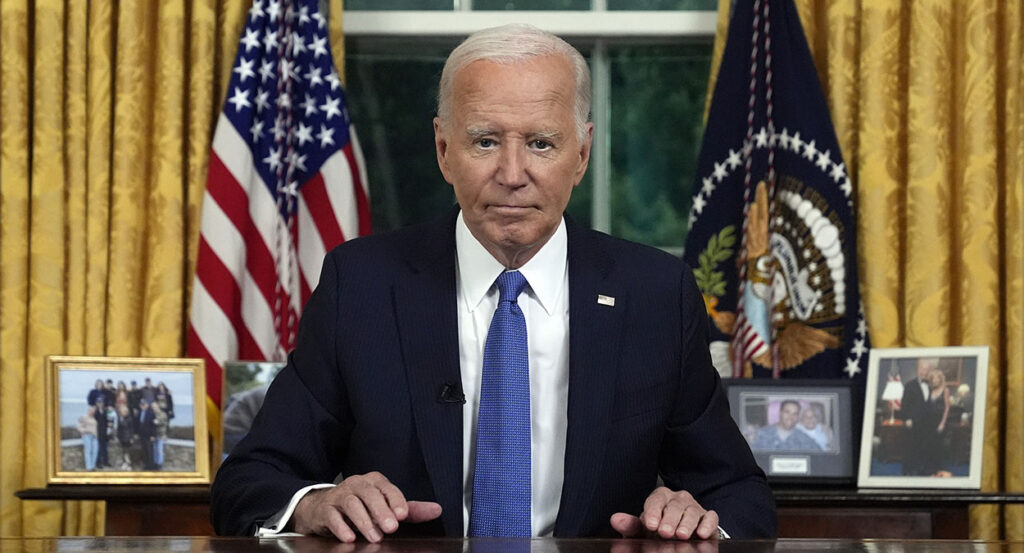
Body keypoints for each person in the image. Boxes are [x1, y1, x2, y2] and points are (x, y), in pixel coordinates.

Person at [210, 23, 775, 542]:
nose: (511, 174)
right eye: (485, 141)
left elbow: (738, 494)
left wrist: (698, 521)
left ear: (581, 154)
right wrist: (314, 503)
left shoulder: (657, 293)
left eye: (541, 144)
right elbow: (253, 479)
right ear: (443, 150)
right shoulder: (361, 285)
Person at [899, 357, 938, 475]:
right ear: (918, 370)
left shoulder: (931, 386)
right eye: (922, 369)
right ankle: (908, 471)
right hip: (913, 423)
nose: (924, 372)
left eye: (926, 370)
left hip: (927, 424)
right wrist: (906, 419)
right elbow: (904, 405)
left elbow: (930, 405)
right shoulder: (909, 385)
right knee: (911, 448)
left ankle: (922, 470)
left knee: (924, 447)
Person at [750, 400, 822, 451]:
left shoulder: (804, 438)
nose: (790, 417)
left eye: (795, 414)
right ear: (780, 413)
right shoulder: (762, 434)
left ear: (798, 417)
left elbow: (820, 456)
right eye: (787, 412)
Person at [136, 398, 157, 470]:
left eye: (144, 404)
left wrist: (153, 435)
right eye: (141, 404)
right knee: (144, 450)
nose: (143, 406)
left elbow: (154, 425)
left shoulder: (151, 413)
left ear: (147, 405)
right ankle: (146, 465)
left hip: (149, 435)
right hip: (142, 435)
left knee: (150, 451)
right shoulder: (139, 412)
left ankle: (151, 466)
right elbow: (138, 424)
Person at [77, 406, 99, 471]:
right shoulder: (84, 417)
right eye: (91, 410)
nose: (92, 412)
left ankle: (93, 466)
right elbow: (78, 426)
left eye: (93, 411)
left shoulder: (94, 418)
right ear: (88, 410)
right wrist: (84, 431)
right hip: (87, 436)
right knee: (88, 451)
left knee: (95, 451)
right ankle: (89, 467)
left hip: (94, 436)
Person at [93, 396, 112, 468]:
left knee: (105, 449)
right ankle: (98, 463)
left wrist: (109, 429)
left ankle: (106, 462)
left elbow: (109, 421)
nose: (100, 404)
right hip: (98, 433)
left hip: (105, 433)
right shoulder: (95, 412)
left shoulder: (105, 411)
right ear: (96, 403)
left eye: (101, 402)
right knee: (99, 449)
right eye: (99, 402)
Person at [115, 404, 135, 470]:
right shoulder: (120, 418)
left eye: (123, 412)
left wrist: (131, 437)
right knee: (123, 451)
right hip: (122, 437)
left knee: (127, 451)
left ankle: (128, 464)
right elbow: (119, 428)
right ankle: (125, 463)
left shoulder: (129, 418)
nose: (121, 413)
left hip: (127, 437)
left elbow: (131, 428)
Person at [151, 401, 169, 470]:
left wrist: (158, 422)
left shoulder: (163, 414)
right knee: (155, 450)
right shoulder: (152, 414)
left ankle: (159, 464)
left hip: (161, 434)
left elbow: (164, 423)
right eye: (152, 407)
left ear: (158, 406)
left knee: (159, 450)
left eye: (155, 407)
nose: (154, 408)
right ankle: (155, 463)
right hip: (154, 434)